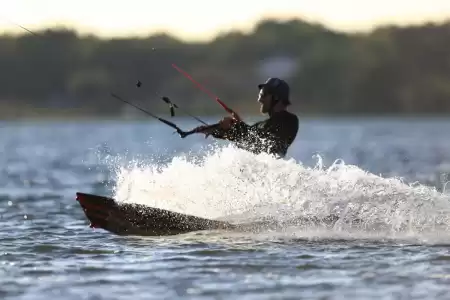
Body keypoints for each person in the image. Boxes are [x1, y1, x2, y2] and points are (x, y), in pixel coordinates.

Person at [193, 77, 299, 158]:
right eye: (259, 95)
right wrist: (213, 130)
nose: (259, 99)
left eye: (263, 95)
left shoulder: (289, 120)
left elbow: (262, 143)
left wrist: (237, 126)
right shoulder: (263, 125)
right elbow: (247, 136)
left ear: (276, 97)